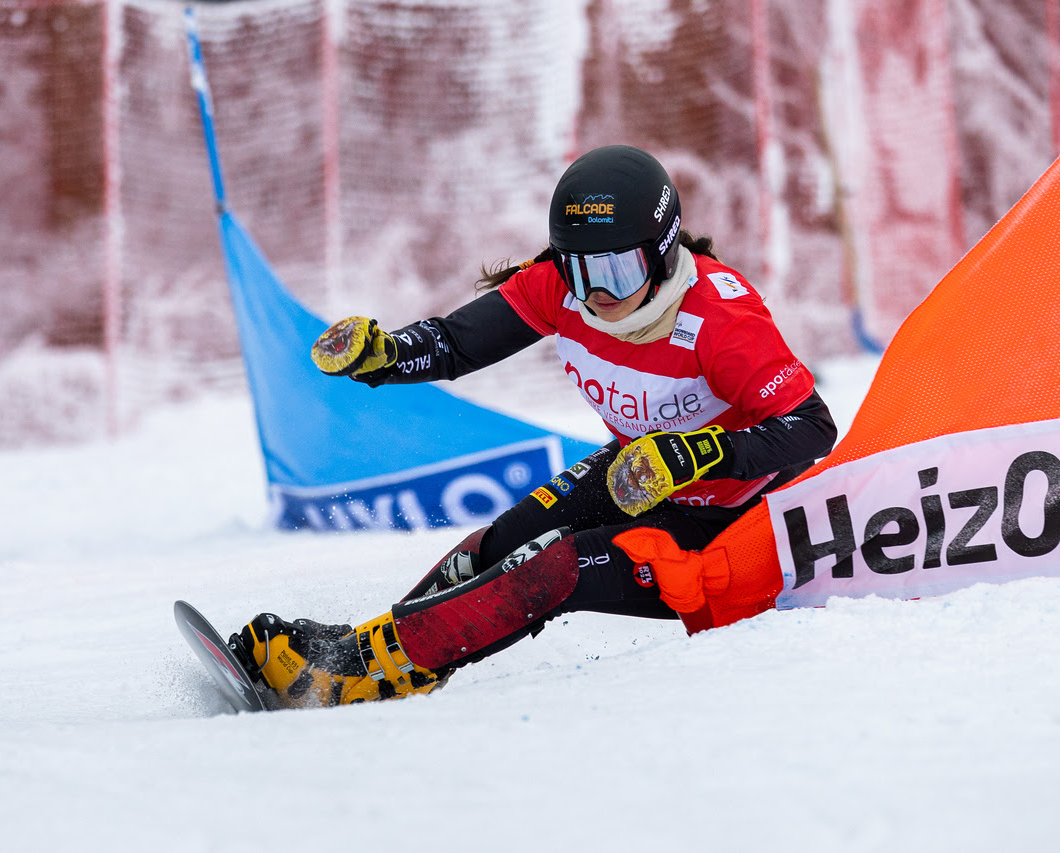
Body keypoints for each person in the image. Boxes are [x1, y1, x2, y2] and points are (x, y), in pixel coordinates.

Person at [227, 145, 837, 708]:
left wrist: (693, 454)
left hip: (732, 522)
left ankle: (362, 669)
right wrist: (386, 355)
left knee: (555, 565)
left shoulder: (721, 320)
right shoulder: (560, 289)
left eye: (618, 272)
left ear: (663, 249)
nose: (598, 294)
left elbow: (812, 428)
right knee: (500, 543)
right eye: (579, 269)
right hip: (637, 472)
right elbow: (457, 344)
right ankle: (379, 658)